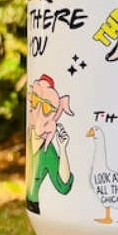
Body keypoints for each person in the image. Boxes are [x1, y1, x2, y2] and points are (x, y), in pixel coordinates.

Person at [26, 75, 73, 214]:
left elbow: (63, 185)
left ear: (55, 115)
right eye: (35, 100)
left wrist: (62, 148)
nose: (39, 111)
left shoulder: (47, 151)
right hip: (31, 205)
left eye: (47, 107)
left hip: (34, 205)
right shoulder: (29, 137)